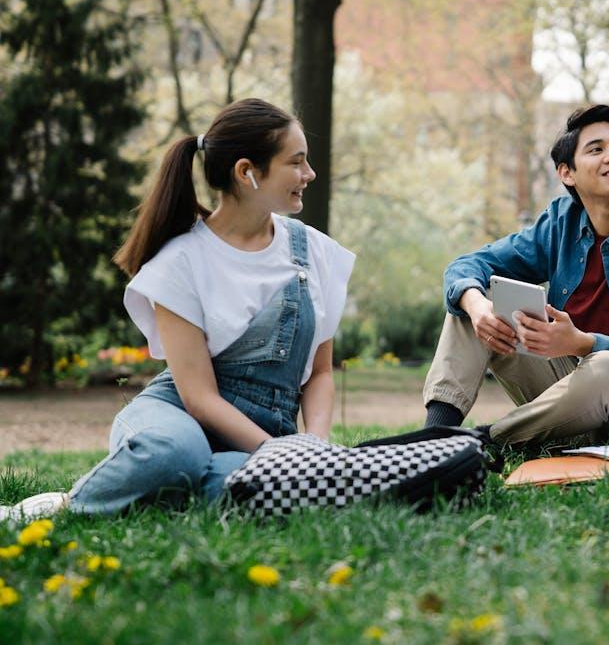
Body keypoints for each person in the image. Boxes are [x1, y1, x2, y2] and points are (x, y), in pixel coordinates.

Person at [1, 99, 355, 520]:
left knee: (234, 484)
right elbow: (200, 398)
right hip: (175, 420)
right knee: (176, 453)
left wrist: (313, 450)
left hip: (260, 438)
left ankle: (157, 491)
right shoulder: (181, 262)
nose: (309, 174)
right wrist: (279, 453)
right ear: (247, 173)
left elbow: (319, 372)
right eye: (296, 163)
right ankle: (61, 508)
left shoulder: (315, 252)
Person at [421, 105, 609, 446]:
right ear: (567, 173)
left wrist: (581, 342)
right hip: (565, 394)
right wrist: (476, 305)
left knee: (606, 367)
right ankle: (431, 440)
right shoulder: (560, 222)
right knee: (475, 301)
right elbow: (467, 265)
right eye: (596, 149)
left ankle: (482, 441)